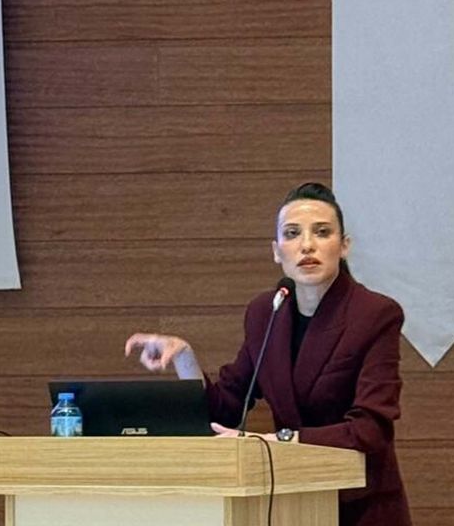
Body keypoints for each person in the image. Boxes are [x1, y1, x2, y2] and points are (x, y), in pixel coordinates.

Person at [125, 182, 412, 526]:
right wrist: (185, 358)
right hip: (290, 503)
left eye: (322, 232)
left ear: (344, 245)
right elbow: (225, 410)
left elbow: (370, 430)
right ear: (277, 251)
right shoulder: (267, 312)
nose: (307, 245)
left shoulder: (375, 314)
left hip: (360, 506)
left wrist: (279, 440)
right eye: (292, 234)